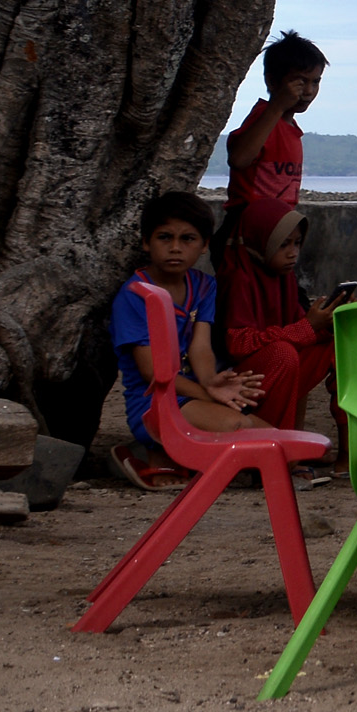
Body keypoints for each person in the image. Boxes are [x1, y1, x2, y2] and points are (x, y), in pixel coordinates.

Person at [109, 193, 266, 490]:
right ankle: (155, 450)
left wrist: (212, 383)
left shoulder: (203, 285)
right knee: (239, 427)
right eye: (164, 238)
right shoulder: (134, 295)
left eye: (188, 239)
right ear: (146, 242)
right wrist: (209, 396)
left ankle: (180, 457)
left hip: (194, 393)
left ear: (205, 245)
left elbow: (200, 345)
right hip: (154, 400)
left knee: (277, 444)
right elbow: (153, 373)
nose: (175, 248)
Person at [217, 209, 341, 451]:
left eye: (297, 243)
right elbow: (238, 343)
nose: (293, 253)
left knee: (333, 347)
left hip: (271, 370)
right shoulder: (237, 278)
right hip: (239, 378)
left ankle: (346, 453)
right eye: (283, 245)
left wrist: (330, 321)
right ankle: (278, 453)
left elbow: (302, 329)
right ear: (261, 242)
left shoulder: (284, 277)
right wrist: (307, 327)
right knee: (283, 353)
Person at [223, 30, 324, 248]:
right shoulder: (264, 118)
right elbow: (239, 158)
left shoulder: (291, 129)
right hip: (247, 233)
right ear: (272, 81)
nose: (308, 91)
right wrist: (277, 106)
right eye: (299, 82)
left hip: (278, 230)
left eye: (315, 82)